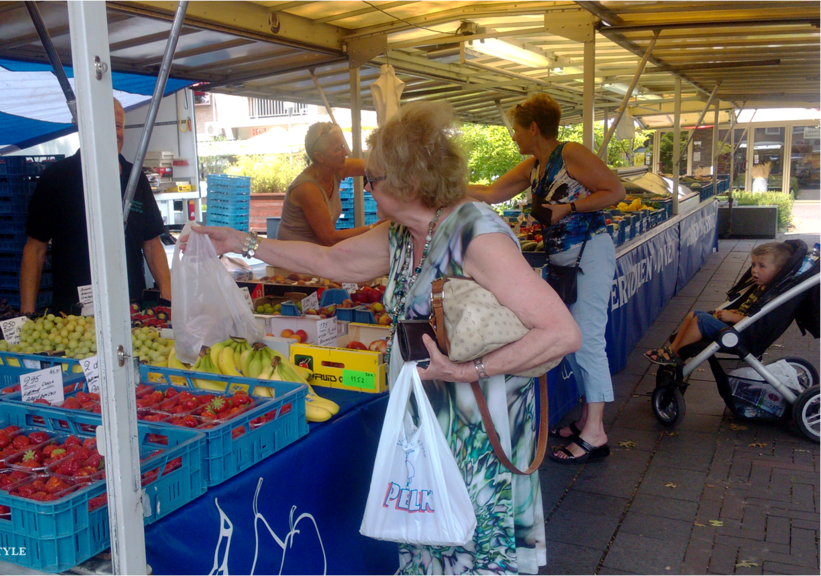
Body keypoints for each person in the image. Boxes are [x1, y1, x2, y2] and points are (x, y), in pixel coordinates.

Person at [187, 101, 581, 575]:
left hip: (478, 433)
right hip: (431, 425)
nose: (365, 186)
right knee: (432, 545)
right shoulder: (403, 233)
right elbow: (332, 262)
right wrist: (242, 242)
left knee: (475, 554)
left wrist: (465, 370)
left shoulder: (475, 233)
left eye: (372, 179)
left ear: (410, 183)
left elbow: (561, 332)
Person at [467, 93, 625, 465]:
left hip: (590, 254)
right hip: (563, 262)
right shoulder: (536, 165)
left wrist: (569, 208)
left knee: (586, 339)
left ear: (533, 128)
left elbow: (615, 191)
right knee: (568, 338)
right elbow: (490, 193)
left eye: (515, 130)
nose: (512, 137)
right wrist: (437, 189)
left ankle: (596, 433)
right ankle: (588, 416)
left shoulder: (570, 153)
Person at [20, 98, 171, 314]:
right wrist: (27, 313)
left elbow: (152, 243)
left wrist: (167, 297)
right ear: (86, 129)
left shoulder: (135, 177)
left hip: (131, 308)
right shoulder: (57, 177)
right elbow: (35, 250)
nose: (113, 133)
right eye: (104, 125)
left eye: (118, 126)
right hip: (73, 314)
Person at [646, 242, 794, 365]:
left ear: (779, 271)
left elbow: (760, 322)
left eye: (762, 266)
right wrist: (735, 312)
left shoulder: (773, 296)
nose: (754, 271)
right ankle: (672, 350)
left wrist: (731, 317)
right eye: (753, 265)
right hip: (739, 328)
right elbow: (750, 312)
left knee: (702, 320)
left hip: (745, 336)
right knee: (695, 313)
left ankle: (676, 355)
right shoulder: (762, 288)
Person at [275, 122, 377, 245]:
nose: (345, 152)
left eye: (343, 146)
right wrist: (375, 228)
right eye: (337, 149)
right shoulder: (307, 188)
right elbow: (330, 238)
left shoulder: (336, 168)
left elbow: (378, 166)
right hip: (293, 257)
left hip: (318, 252)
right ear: (319, 156)